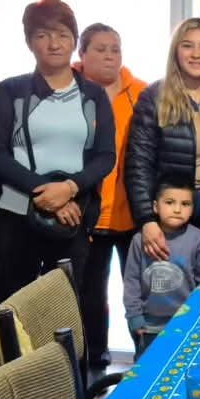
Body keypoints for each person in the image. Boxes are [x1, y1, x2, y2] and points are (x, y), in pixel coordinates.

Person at [0, 0, 115, 302]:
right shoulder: (11, 91)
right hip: (14, 215)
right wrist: (47, 194)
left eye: (63, 35)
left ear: (74, 41)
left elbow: (105, 156)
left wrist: (68, 189)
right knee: (14, 309)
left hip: (72, 215)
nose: (54, 44)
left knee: (63, 310)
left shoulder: (93, 95)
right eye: (42, 35)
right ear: (29, 42)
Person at [126, 18, 200, 279]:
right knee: (169, 284)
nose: (196, 54)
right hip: (171, 207)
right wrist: (147, 219)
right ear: (175, 51)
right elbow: (139, 163)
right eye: (187, 46)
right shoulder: (154, 96)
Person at [75, 23, 148, 375]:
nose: (109, 56)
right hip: (86, 215)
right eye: (100, 49)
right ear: (82, 54)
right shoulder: (68, 91)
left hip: (132, 215)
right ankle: (95, 363)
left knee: (140, 293)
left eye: (115, 49)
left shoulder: (142, 93)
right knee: (90, 295)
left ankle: (145, 361)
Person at [123, 174, 200, 359]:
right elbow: (131, 282)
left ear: (193, 208)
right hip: (148, 326)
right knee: (148, 369)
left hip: (186, 324)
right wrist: (134, 316)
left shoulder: (199, 240)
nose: (177, 209)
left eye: (185, 204)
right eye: (170, 202)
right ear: (156, 206)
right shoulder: (139, 240)